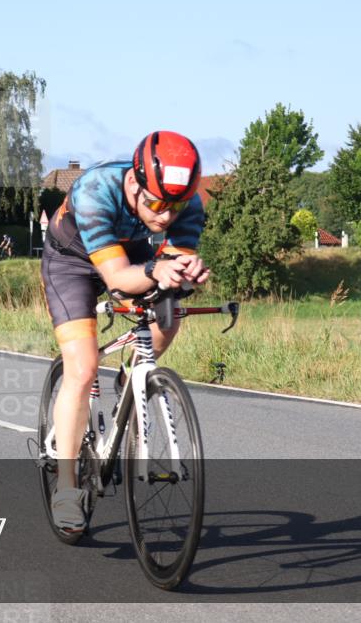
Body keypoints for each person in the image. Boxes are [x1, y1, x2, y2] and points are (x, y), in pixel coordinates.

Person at [40, 131, 210, 533]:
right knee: (81, 369)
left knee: (170, 314)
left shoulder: (188, 204)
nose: (165, 216)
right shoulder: (95, 191)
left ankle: (130, 382)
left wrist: (187, 274)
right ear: (134, 183)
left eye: (176, 207)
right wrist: (155, 269)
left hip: (131, 253)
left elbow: (171, 265)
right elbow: (117, 278)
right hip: (72, 260)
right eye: (155, 204)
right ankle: (66, 488)